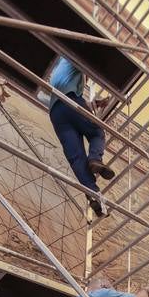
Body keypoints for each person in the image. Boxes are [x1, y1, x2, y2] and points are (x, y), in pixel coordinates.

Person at [48, 56, 114, 217]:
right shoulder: (71, 58)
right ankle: (95, 159)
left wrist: (96, 103)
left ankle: (93, 194)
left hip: (56, 113)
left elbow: (78, 103)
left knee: (76, 157)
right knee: (97, 132)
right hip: (70, 101)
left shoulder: (58, 72)